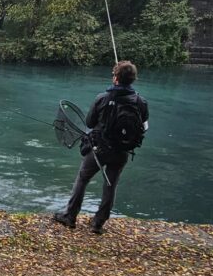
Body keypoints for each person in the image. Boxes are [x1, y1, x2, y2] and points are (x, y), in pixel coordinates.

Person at [54, 60, 149, 234]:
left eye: (114, 74)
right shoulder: (141, 101)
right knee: (111, 184)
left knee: (83, 179)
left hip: (100, 149)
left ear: (116, 79)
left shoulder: (103, 98)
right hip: (123, 151)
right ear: (133, 80)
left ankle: (70, 216)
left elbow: (89, 122)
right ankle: (98, 223)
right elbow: (144, 127)